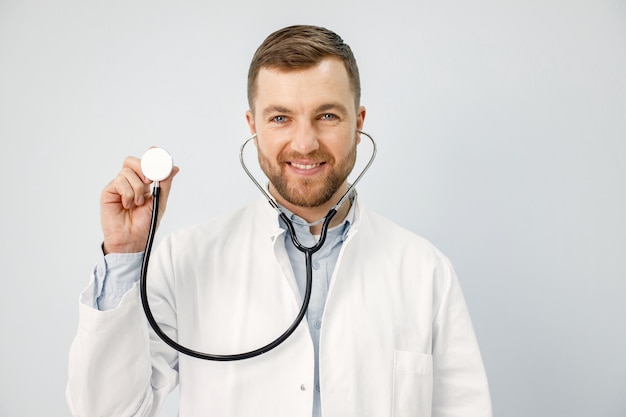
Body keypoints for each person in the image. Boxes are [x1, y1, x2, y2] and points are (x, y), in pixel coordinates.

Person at [66, 25, 492, 417]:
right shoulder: (187, 260)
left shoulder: (425, 270)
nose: (304, 143)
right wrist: (125, 254)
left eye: (327, 115)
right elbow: (106, 411)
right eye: (280, 117)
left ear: (358, 124)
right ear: (253, 126)